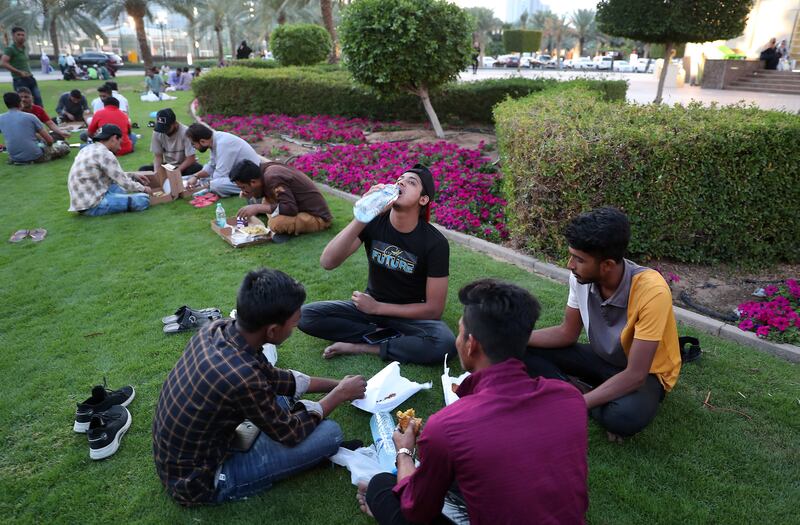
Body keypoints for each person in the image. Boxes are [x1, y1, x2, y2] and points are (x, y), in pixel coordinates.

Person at [358, 279, 588, 525]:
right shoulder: (570, 398)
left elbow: (417, 511)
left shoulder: (446, 428)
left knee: (381, 487)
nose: (457, 340)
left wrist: (404, 452)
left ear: (471, 344)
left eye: (459, 331)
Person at [153, 268, 368, 506]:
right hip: (200, 481)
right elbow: (291, 433)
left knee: (284, 400)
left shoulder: (217, 330)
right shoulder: (243, 376)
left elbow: (274, 378)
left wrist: (338, 385)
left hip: (192, 452)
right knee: (330, 433)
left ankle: (303, 450)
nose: (294, 330)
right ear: (273, 331)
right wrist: (339, 395)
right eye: (294, 325)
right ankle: (305, 459)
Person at [524, 207, 682, 442]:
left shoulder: (652, 290)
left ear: (607, 264)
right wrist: (515, 337)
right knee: (519, 350)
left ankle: (577, 392)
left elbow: (636, 374)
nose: (570, 265)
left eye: (579, 259)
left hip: (645, 373)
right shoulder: (580, 277)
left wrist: (576, 406)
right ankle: (587, 392)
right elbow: (567, 333)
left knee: (623, 418)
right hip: (602, 359)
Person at [298, 164, 456, 365]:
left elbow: (434, 310)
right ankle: (388, 336)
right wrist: (364, 214)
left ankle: (363, 346)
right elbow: (328, 261)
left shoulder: (435, 243)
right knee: (305, 316)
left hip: (408, 315)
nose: (401, 183)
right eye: (400, 179)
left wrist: (377, 308)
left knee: (445, 343)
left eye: (411, 182)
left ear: (423, 199)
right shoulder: (374, 223)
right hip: (368, 309)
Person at [230, 159, 333, 239]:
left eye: (243, 187)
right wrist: (250, 193)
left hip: (317, 216)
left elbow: (290, 209)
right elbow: (266, 192)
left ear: (253, 182)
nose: (243, 190)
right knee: (265, 202)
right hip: (295, 205)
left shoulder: (272, 177)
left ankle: (285, 229)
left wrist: (257, 208)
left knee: (276, 223)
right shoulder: (263, 171)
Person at [67, 124, 153, 216]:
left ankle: (119, 199)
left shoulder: (87, 149)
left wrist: (132, 175)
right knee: (143, 199)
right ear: (114, 138)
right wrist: (143, 189)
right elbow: (123, 181)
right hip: (93, 205)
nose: (120, 148)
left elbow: (114, 175)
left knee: (120, 188)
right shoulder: (105, 154)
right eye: (120, 142)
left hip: (83, 202)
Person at [184, 123, 263, 197]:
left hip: (251, 179)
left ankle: (251, 190)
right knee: (207, 180)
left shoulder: (223, 144)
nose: (193, 147)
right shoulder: (214, 140)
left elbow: (220, 174)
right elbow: (211, 166)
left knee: (216, 185)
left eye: (193, 144)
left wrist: (203, 185)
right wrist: (196, 176)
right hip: (239, 175)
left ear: (202, 141)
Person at [0, 92, 70, 164]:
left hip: (14, 157)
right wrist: (49, 146)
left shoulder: (1, 118)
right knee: (64, 147)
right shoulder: (30, 117)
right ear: (20, 102)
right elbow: (49, 140)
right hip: (35, 156)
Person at [138, 108, 202, 175]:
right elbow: (158, 156)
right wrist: (156, 172)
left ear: (175, 123)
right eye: (161, 128)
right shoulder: (157, 132)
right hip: (169, 166)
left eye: (166, 128)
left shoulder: (186, 132)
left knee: (197, 168)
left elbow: (190, 158)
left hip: (184, 166)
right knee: (143, 170)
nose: (164, 131)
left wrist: (176, 172)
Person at [1, 27, 43, 106]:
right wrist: (19, 72)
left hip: (30, 78)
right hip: (20, 80)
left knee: (38, 100)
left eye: (23, 35)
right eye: (18, 35)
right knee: (23, 103)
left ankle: (41, 118)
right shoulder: (10, 49)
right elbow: (3, 63)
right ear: (13, 36)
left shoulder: (24, 48)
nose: (21, 37)